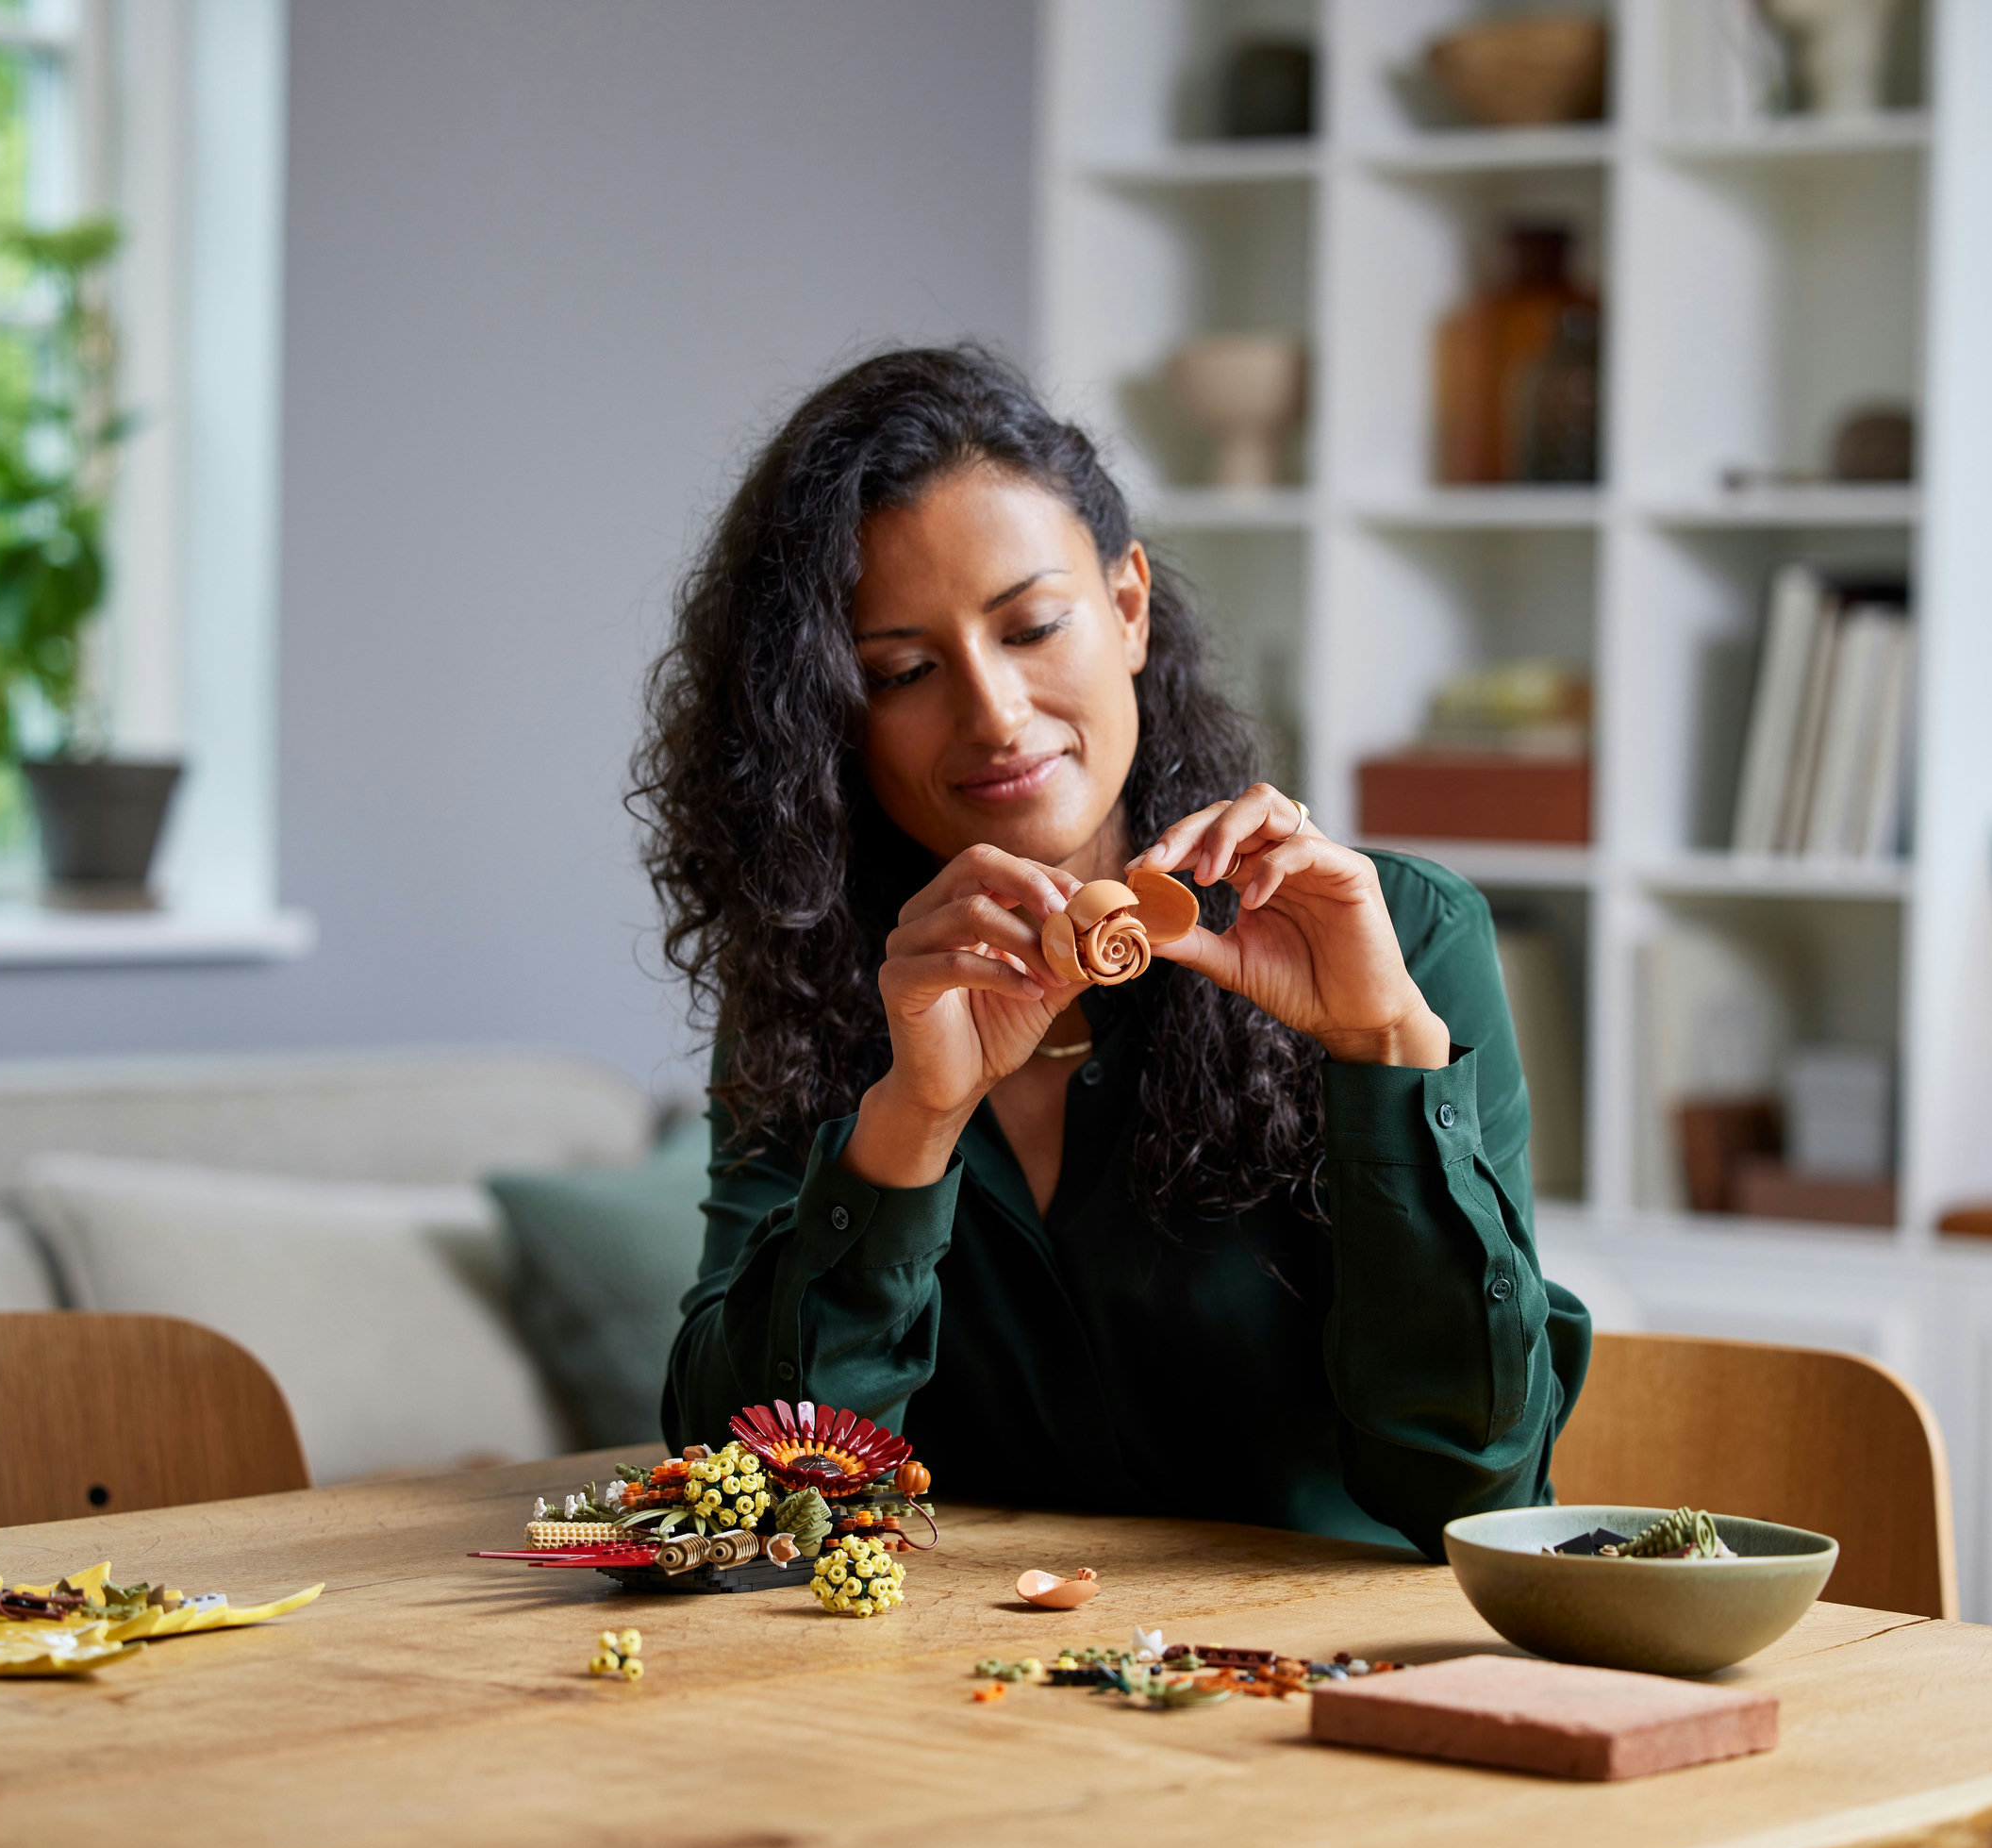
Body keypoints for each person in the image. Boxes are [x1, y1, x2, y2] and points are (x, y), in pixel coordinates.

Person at [632, 345, 1586, 1557]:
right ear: (835, 714)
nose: (995, 714)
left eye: (1032, 626)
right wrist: (910, 1125)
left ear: (1129, 608)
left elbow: (1476, 1494)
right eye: (904, 672)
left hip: (1309, 1694)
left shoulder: (1397, 936)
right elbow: (754, 1499)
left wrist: (1382, 1051)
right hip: (939, 1704)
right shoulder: (816, 983)